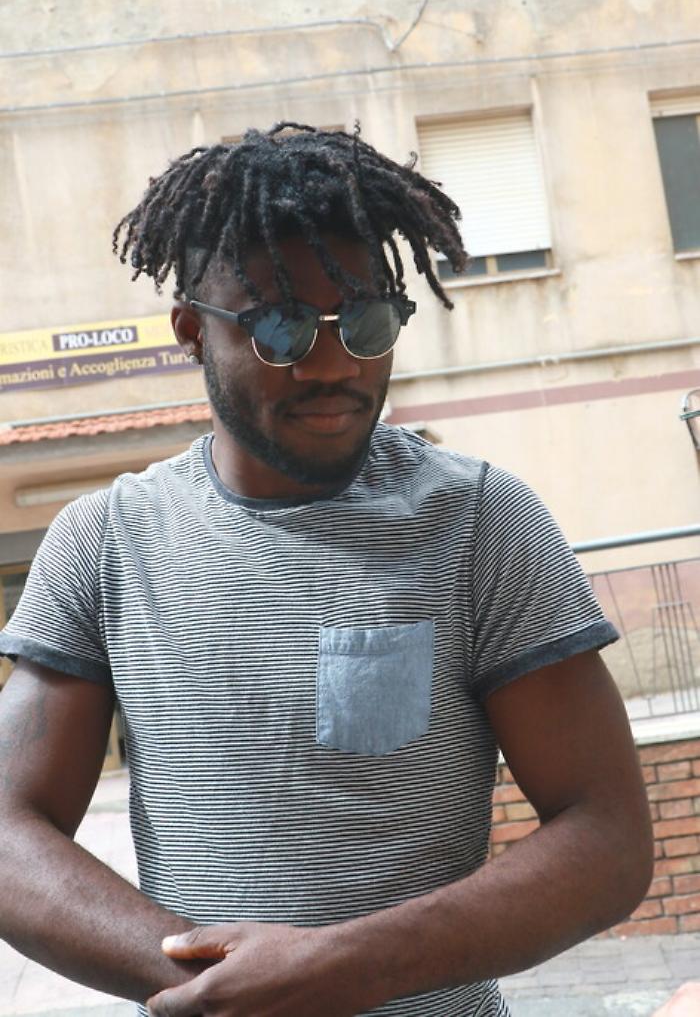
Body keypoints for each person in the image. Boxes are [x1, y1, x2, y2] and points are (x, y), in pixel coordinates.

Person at [0, 123, 653, 1017]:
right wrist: (215, 984)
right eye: (282, 328)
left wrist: (340, 969)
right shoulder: (105, 542)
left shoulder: (481, 522)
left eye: (368, 322)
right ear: (192, 331)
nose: (335, 363)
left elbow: (608, 838)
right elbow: (9, 829)